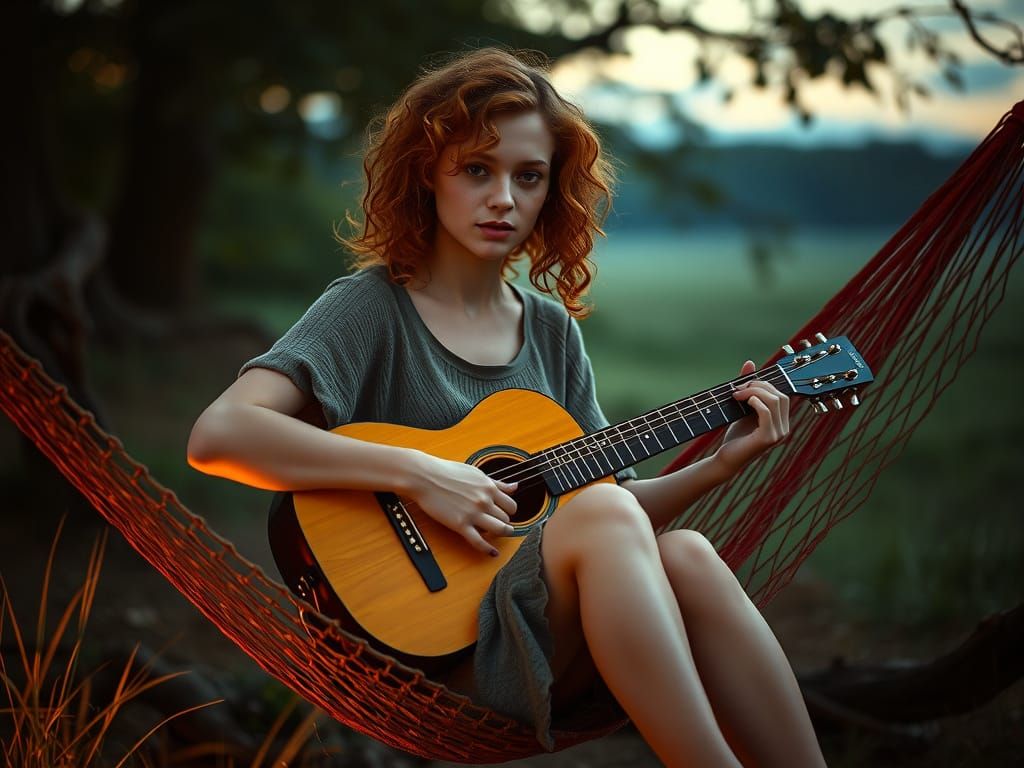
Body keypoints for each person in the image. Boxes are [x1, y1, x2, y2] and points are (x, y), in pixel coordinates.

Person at [187, 47, 827, 768]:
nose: (504, 199)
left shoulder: (550, 330)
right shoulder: (370, 308)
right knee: (611, 517)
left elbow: (602, 527)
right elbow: (219, 434)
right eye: (476, 171)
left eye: (529, 176)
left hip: (554, 637)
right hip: (434, 661)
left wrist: (719, 464)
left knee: (686, 552)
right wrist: (419, 474)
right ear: (427, 173)